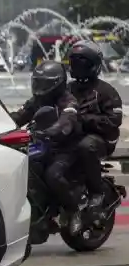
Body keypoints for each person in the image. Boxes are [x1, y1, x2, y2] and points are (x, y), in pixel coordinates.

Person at [11, 60, 86, 234]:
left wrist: (50, 131)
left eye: (43, 83)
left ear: (57, 84)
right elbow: (19, 116)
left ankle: (73, 210)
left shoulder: (68, 101)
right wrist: (0, 124)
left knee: (53, 175)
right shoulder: (37, 100)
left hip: (66, 148)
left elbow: (66, 121)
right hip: (44, 144)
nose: (39, 87)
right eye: (37, 82)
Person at [67, 40, 123, 208]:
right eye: (75, 63)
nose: (78, 67)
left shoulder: (106, 91)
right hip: (73, 134)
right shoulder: (68, 89)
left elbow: (113, 121)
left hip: (101, 139)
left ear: (93, 65)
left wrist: (85, 119)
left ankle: (97, 191)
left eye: (82, 63)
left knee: (86, 147)